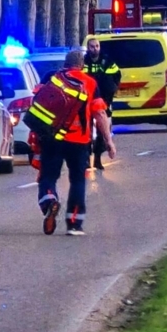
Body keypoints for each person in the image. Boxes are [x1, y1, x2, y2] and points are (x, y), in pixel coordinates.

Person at [36, 49, 117, 236]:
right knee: (77, 180)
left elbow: (37, 103)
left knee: (48, 175)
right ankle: (74, 223)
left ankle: (49, 200)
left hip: (52, 137)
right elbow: (99, 113)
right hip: (79, 139)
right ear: (82, 64)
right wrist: (108, 141)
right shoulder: (89, 83)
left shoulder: (51, 78)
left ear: (65, 63)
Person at [83, 37, 121, 171]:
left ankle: (98, 159)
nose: (95, 49)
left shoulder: (107, 61)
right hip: (85, 102)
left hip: (103, 101)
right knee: (85, 131)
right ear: (88, 48)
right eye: (92, 46)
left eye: (97, 46)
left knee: (102, 131)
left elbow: (117, 75)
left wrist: (112, 89)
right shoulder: (83, 62)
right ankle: (86, 159)